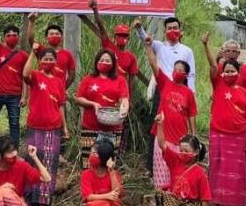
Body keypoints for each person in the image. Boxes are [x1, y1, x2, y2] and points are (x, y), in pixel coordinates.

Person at [136, 17, 195, 173]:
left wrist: (191, 94)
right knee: (157, 125)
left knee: (179, 126)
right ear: (165, 31)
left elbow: (192, 74)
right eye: (169, 28)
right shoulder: (160, 46)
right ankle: (152, 166)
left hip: (182, 93)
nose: (172, 31)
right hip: (163, 89)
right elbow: (146, 41)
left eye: (175, 28)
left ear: (180, 31)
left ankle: (178, 163)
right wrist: (139, 28)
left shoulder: (187, 51)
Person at [202, 32, 246, 206]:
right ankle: (215, 199)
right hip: (218, 133)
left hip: (238, 136)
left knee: (236, 169)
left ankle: (234, 200)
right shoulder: (218, 84)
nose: (228, 74)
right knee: (217, 166)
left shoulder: (244, 92)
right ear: (221, 73)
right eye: (226, 72)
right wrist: (205, 45)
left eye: (232, 71)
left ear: (238, 73)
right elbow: (212, 65)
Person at [143, 35, 197, 190]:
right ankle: (160, 196)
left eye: (181, 70)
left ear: (186, 74)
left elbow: (192, 115)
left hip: (180, 139)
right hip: (162, 135)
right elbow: (153, 63)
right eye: (175, 69)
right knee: (160, 171)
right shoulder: (165, 83)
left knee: (176, 171)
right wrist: (148, 46)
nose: (177, 72)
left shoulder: (188, 93)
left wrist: (193, 135)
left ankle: (174, 197)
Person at [23, 44, 68, 206]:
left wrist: (65, 127)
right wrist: (32, 53)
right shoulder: (35, 76)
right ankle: (29, 198)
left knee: (50, 163)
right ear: (40, 61)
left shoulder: (58, 81)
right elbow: (25, 74)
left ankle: (44, 200)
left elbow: (61, 105)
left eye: (51, 59)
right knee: (32, 161)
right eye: (45, 59)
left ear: (55, 62)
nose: (48, 61)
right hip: (34, 126)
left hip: (53, 128)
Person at [74, 50, 130, 168]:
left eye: (107, 60)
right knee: (89, 162)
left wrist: (125, 108)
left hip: (113, 129)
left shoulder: (120, 80)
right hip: (90, 127)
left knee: (109, 164)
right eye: (102, 60)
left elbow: (124, 99)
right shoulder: (88, 79)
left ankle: (107, 180)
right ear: (96, 62)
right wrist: (92, 104)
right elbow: (78, 98)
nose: (104, 62)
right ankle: (88, 180)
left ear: (113, 63)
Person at [80, 0, 148, 95]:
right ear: (114, 37)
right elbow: (101, 27)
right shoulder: (108, 46)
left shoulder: (131, 57)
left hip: (120, 91)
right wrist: (95, 10)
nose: (122, 38)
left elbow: (131, 80)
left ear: (128, 39)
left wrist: (129, 97)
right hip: (104, 88)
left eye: (124, 36)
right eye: (119, 35)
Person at [0, 9, 30, 144]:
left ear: (18, 37)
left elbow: (25, 78)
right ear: (4, 37)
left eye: (14, 35)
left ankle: (14, 149)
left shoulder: (23, 55)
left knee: (14, 124)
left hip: (15, 95)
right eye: (9, 35)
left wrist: (24, 96)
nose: (12, 37)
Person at [154, 113, 211, 205]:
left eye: (186, 151)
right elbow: (162, 144)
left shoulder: (200, 174)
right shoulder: (175, 160)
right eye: (181, 150)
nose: (183, 153)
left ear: (196, 152)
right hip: (173, 202)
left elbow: (205, 198)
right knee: (159, 193)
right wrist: (160, 125)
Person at [0, 136, 52, 206]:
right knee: (4, 191)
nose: (14, 154)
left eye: (14, 150)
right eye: (9, 152)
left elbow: (47, 178)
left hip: (16, 203)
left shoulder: (21, 166)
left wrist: (34, 157)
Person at [28, 16, 77, 89]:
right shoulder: (41, 50)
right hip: (43, 88)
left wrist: (63, 88)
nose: (54, 35)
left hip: (58, 91)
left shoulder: (67, 55)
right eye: (51, 34)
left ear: (61, 37)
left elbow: (72, 75)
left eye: (57, 34)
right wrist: (31, 22)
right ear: (46, 37)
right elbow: (30, 39)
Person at [80, 139, 124, 206]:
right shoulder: (86, 174)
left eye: (94, 154)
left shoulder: (113, 173)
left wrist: (112, 172)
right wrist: (107, 196)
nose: (91, 155)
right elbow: (88, 196)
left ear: (104, 157)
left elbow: (118, 193)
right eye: (91, 153)